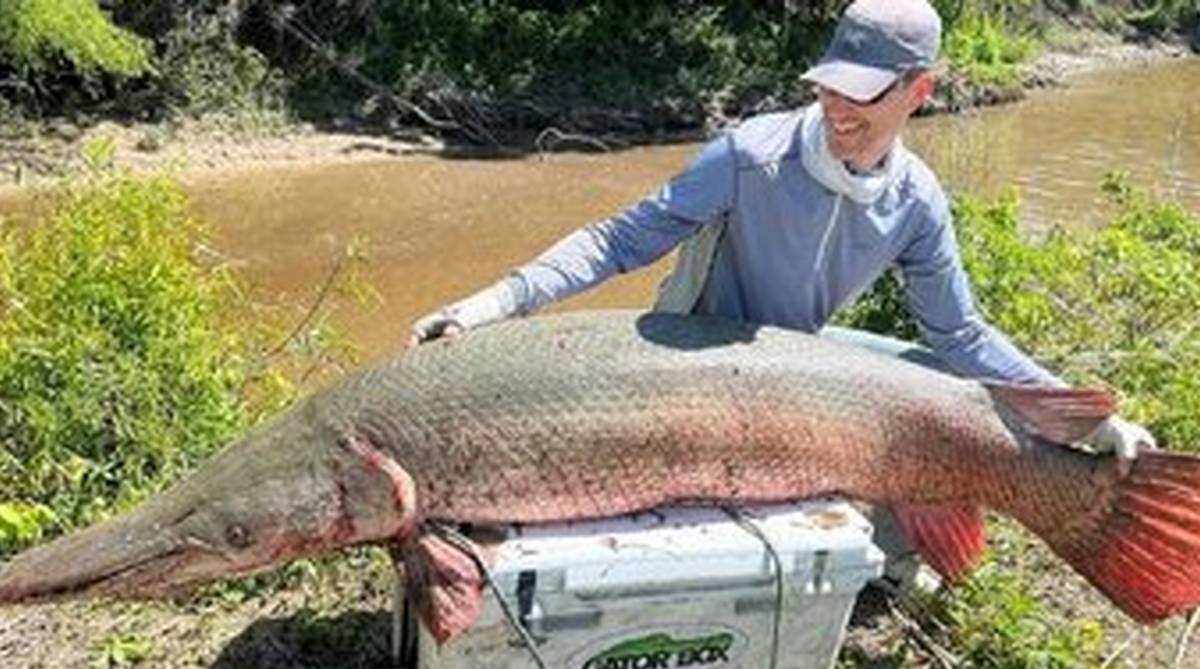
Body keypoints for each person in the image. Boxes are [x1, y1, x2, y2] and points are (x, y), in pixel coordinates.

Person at [410, 0, 1154, 467]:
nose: (838, 108)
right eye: (830, 86)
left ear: (919, 91)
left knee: (939, 386)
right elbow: (616, 242)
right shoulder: (747, 156)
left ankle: (886, 559)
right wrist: (491, 305)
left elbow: (961, 334)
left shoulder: (917, 202)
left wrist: (1085, 418)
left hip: (799, 368)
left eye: (862, 94)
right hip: (686, 358)